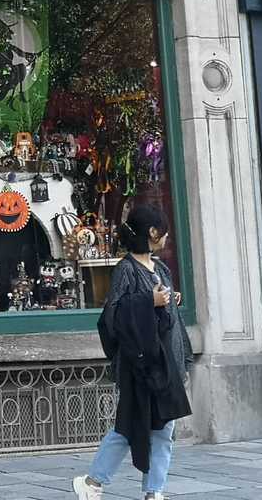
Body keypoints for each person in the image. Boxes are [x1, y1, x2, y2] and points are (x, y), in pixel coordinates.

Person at [73, 204, 191, 500]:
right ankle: (93, 482)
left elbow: (168, 320)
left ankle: (153, 492)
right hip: (141, 367)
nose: (166, 237)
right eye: (163, 231)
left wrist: (168, 302)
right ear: (152, 232)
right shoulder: (126, 269)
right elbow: (112, 317)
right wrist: (148, 301)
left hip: (166, 364)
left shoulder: (161, 269)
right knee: (129, 427)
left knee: (164, 429)